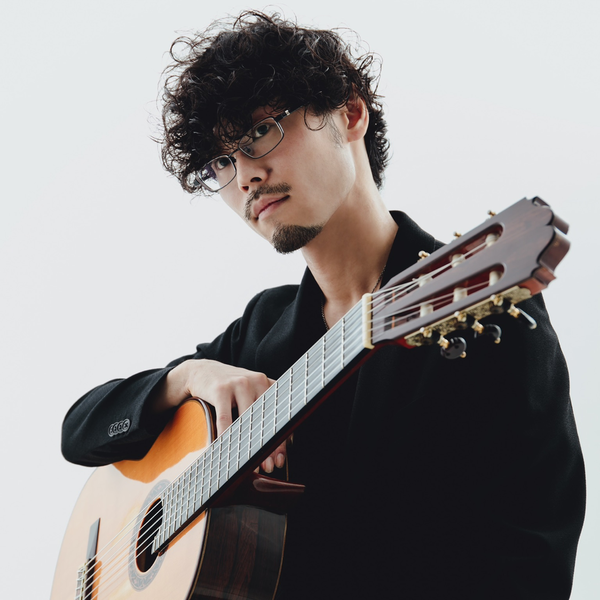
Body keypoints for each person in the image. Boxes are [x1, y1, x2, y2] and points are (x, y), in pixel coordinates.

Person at [61, 11, 585, 599]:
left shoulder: (478, 306)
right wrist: (188, 376)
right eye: (221, 163)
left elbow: (532, 558)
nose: (245, 177)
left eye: (260, 132)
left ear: (350, 114)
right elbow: (80, 432)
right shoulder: (261, 329)